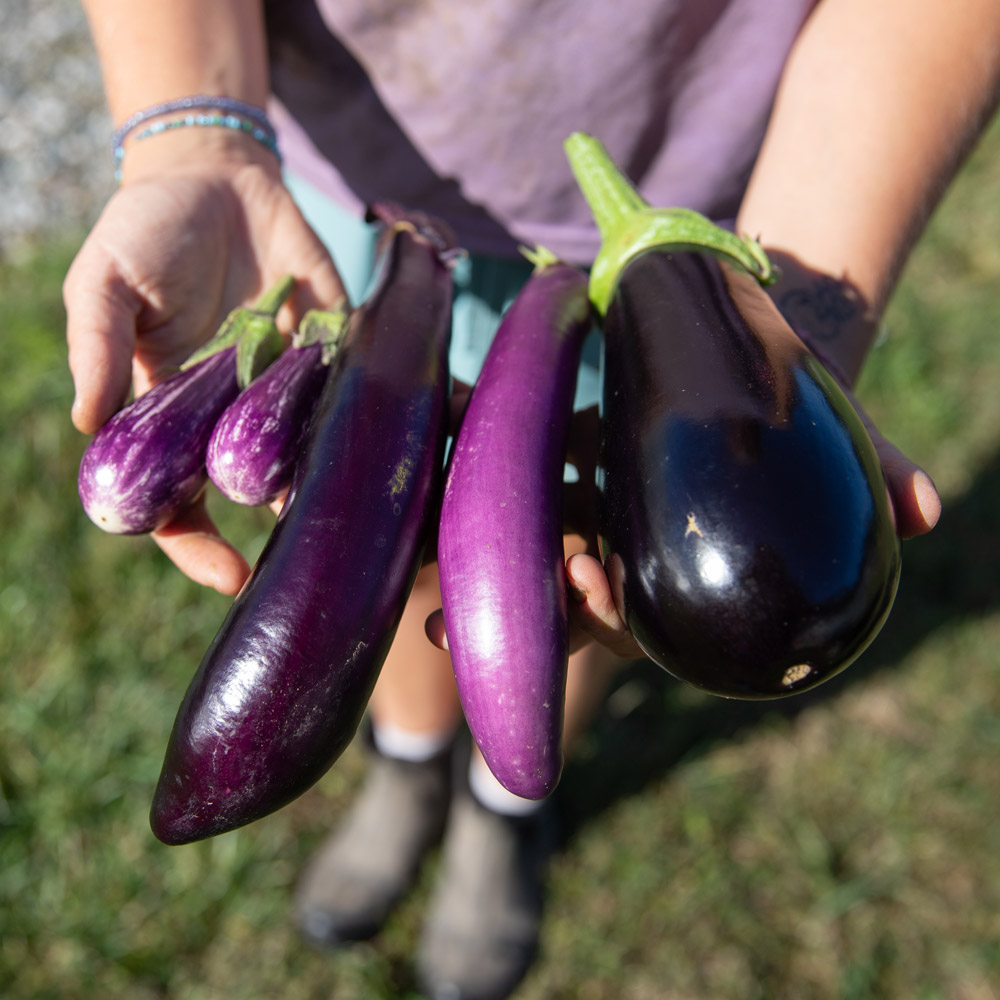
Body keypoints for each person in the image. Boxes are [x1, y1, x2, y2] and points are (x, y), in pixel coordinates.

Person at [64, 1, 999, 998]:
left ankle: (503, 806)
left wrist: (779, 333)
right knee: (381, 545)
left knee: (578, 571)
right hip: (339, 203)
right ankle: (411, 757)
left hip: (700, 238)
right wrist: (194, 145)